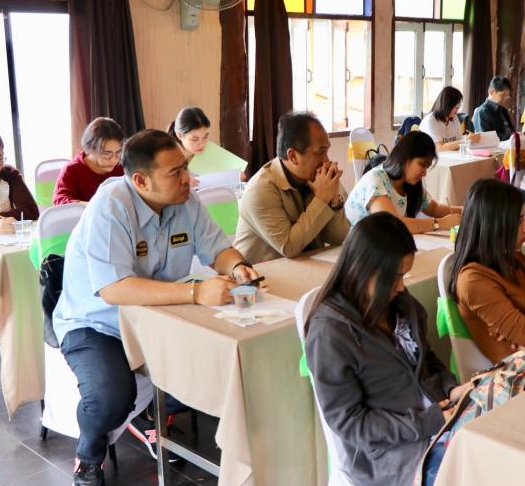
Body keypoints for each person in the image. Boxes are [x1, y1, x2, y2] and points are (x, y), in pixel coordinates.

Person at [52, 130, 259, 486]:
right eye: (175, 172)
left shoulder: (185, 200)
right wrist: (196, 292)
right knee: (110, 399)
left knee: (220, 368)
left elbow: (217, 249)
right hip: (98, 323)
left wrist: (238, 266)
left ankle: (150, 413)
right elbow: (115, 289)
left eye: (185, 167)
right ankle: (89, 454)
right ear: (140, 181)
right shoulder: (112, 206)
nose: (187, 178)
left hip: (161, 317)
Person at [305, 212, 464, 486]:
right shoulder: (329, 333)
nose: (401, 286)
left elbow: (426, 360)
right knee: (474, 470)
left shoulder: (398, 304)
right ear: (361, 268)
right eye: (394, 277)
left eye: (403, 275)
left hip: (435, 426)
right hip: (389, 458)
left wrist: (450, 389)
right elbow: (350, 423)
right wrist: (428, 421)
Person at [449, 179, 525, 378]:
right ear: (495, 226)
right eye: (519, 221)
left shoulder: (516, 258)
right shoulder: (473, 280)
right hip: (521, 377)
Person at [234, 112, 349, 264]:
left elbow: (338, 237)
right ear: (293, 156)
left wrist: (333, 200)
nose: (326, 161)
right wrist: (321, 199)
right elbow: (289, 247)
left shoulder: (318, 178)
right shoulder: (260, 189)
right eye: (321, 152)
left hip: (305, 265)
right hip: (261, 274)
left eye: (327, 151)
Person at [345, 130, 462, 233]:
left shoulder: (408, 183)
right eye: (422, 165)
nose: (425, 173)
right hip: (358, 246)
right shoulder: (375, 180)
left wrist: (465, 210)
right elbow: (391, 224)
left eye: (427, 167)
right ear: (405, 157)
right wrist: (439, 223)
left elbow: (434, 208)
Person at [53, 117, 125, 205]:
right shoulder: (72, 170)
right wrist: (92, 206)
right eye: (106, 154)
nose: (114, 159)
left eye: (118, 152)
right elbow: (59, 201)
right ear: (90, 148)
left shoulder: (122, 166)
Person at [419, 86, 466, 151]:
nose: (457, 109)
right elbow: (439, 148)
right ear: (447, 105)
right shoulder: (430, 121)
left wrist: (467, 139)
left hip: (451, 156)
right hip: (431, 156)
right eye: (456, 106)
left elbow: (459, 141)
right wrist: (465, 141)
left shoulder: (454, 118)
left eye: (459, 106)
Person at [472, 76, 516, 140]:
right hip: (496, 145)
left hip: (509, 143)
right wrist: (511, 136)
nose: (506, 98)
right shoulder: (481, 112)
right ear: (492, 92)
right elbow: (486, 138)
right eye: (503, 95)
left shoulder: (503, 110)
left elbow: (511, 130)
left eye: (507, 96)